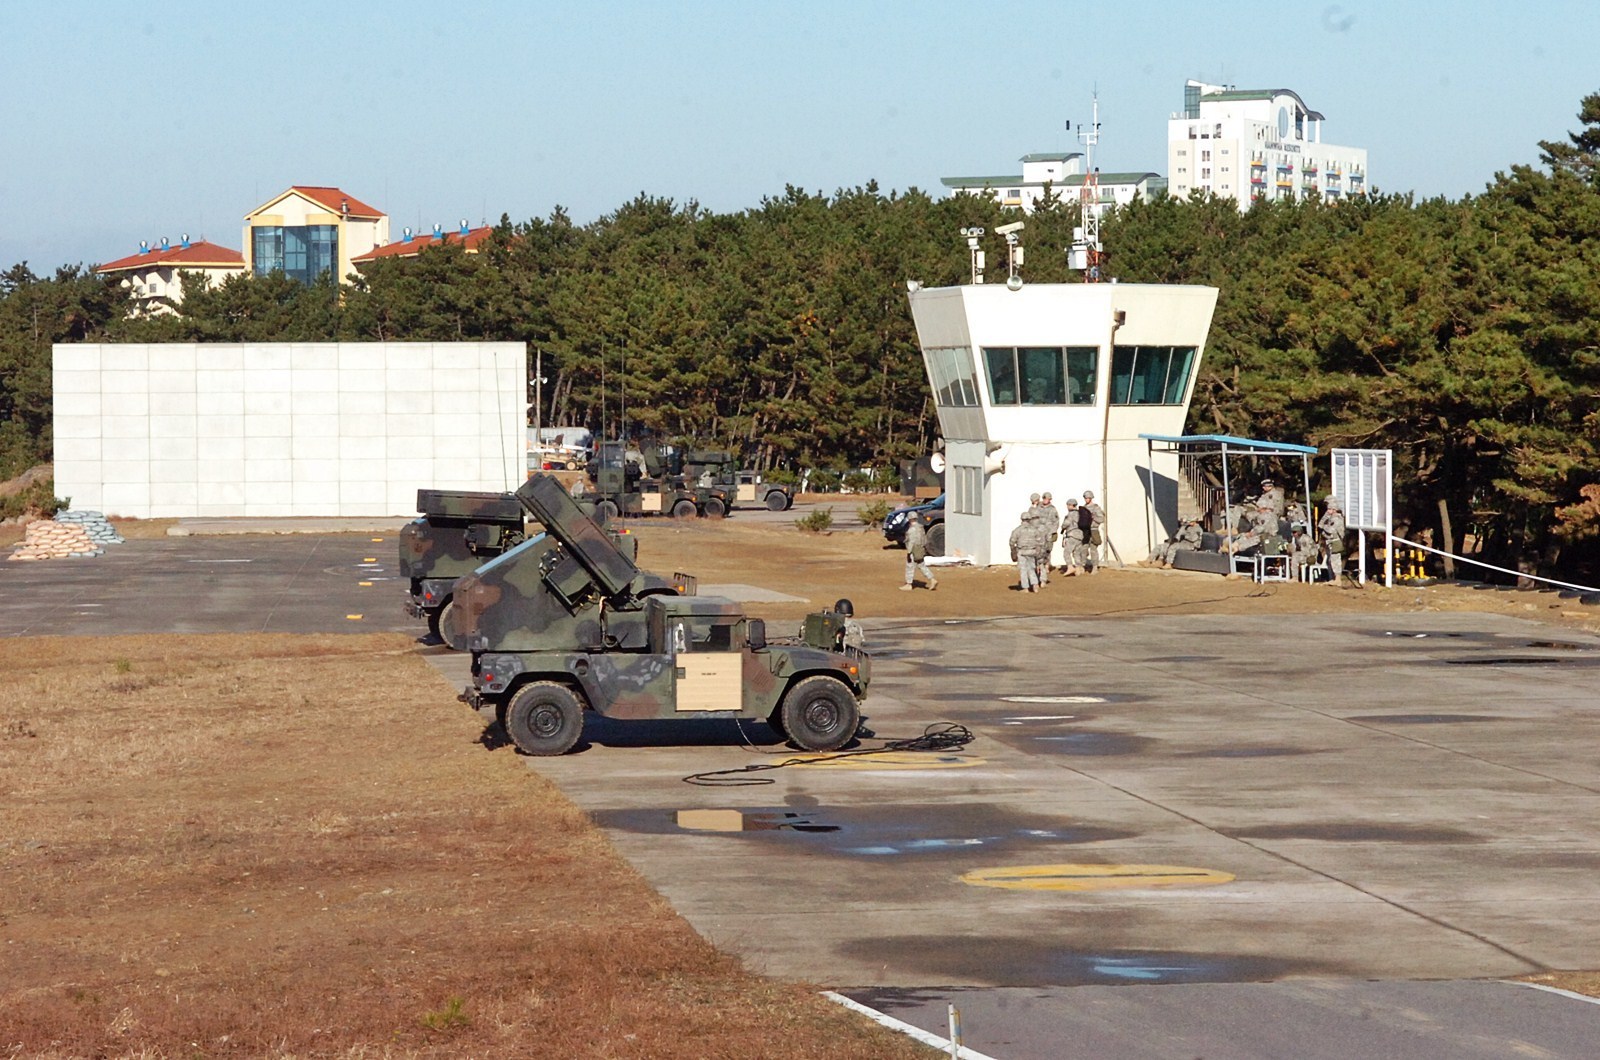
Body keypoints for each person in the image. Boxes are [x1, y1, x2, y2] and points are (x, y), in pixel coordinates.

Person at [901, 514, 938, 591]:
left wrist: (908, 552)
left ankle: (909, 584)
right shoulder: (921, 528)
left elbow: (911, 542)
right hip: (920, 549)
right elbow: (924, 540)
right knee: (921, 565)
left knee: (910, 566)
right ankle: (932, 579)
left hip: (913, 550)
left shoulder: (911, 530)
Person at [1009, 509, 1043, 592]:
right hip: (1032, 551)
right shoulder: (1035, 530)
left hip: (1022, 552)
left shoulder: (1017, 530)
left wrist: (1013, 552)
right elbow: (1040, 542)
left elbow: (1012, 542)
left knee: (1023, 570)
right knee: (1031, 568)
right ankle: (1035, 585)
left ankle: (1025, 587)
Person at [1318, 496, 1348, 584]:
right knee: (1330, 560)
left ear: (1334, 509)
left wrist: (1325, 527)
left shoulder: (1337, 518)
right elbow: (1321, 525)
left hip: (1335, 541)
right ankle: (1333, 578)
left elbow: (1330, 530)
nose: (1328, 511)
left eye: (1330, 509)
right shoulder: (1330, 518)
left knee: (1336, 560)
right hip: (1330, 541)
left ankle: (1338, 579)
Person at [1038, 491, 1061, 584]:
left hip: (1049, 532)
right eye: (1044, 498)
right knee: (1039, 549)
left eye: (1047, 499)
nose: (1045, 500)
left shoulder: (1053, 509)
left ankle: (1047, 564)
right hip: (1039, 532)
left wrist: (1053, 531)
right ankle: (1040, 565)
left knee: (1048, 549)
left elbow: (1056, 521)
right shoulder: (1038, 507)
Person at [1061, 498, 1087, 576]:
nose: (1067, 507)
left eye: (1068, 505)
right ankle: (1078, 569)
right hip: (1080, 535)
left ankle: (1070, 567)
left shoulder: (1071, 514)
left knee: (1066, 552)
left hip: (1072, 535)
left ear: (1071, 505)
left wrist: (1062, 527)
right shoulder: (1080, 513)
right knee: (1076, 553)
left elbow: (1066, 523)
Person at [1081, 490, 1105, 573]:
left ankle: (1095, 567)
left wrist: (1093, 517)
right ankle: (1083, 566)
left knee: (1093, 549)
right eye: (1085, 498)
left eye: (1088, 498)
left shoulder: (1096, 508)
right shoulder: (1083, 508)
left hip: (1093, 530)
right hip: (1085, 531)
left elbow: (1101, 519)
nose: (1086, 499)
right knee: (1083, 549)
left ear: (1091, 498)